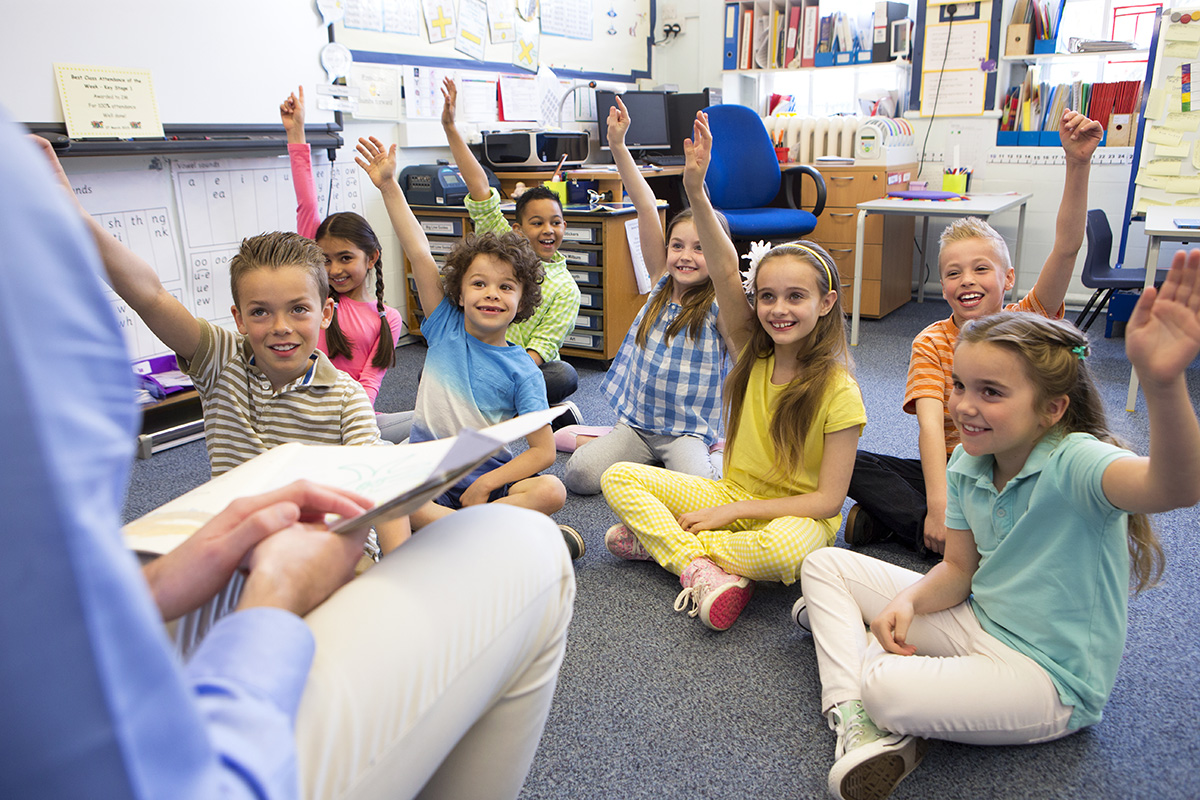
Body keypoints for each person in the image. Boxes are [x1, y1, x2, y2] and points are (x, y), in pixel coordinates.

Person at [3, 111, 575, 800]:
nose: (280, 328)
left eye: (299, 310)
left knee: (374, 587)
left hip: (325, 555)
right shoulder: (218, 360)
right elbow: (147, 290)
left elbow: (377, 498)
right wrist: (66, 210)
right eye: (261, 313)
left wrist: (397, 568)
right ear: (238, 318)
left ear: (326, 313)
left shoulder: (345, 401)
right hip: (229, 551)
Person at [795, 255, 1200, 800]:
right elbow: (958, 570)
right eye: (960, 385)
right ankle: (855, 715)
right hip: (979, 618)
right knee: (823, 564)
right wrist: (911, 602)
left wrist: (1163, 383)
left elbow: (1178, 487)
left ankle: (855, 672)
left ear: (1052, 409)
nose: (964, 406)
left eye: (992, 392)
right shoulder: (967, 463)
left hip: (1048, 676)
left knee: (884, 683)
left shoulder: (1077, 460)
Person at [600, 112, 866, 631]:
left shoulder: (841, 391)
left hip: (795, 516)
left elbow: (828, 501)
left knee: (792, 553)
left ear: (827, 302)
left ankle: (670, 546)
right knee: (617, 477)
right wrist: (696, 194)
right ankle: (701, 566)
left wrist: (720, 519)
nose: (778, 310)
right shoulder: (753, 353)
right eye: (767, 296)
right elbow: (724, 270)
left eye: (796, 297)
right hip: (732, 493)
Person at [846, 109, 1105, 557]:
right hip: (954, 471)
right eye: (952, 272)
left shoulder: (1030, 321)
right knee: (845, 462)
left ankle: (915, 529)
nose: (966, 280)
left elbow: (1066, 247)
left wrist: (1077, 164)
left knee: (1051, 495)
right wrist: (941, 504)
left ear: (1007, 279)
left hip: (1015, 469)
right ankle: (955, 534)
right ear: (940, 284)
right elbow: (930, 426)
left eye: (981, 269)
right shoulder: (931, 340)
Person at [358, 135, 582, 557]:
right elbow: (418, 250)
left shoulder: (523, 370)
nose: (491, 294)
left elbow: (543, 453)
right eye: (478, 284)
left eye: (505, 287)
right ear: (459, 294)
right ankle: (493, 537)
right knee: (384, 489)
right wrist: (389, 186)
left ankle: (465, 536)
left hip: (486, 481)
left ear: (522, 300)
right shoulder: (445, 325)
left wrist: (484, 484)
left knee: (551, 491)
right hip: (427, 477)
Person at [558, 97, 737, 495]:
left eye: (700, 247)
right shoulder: (659, 279)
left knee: (701, 492)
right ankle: (625, 454)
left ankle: (717, 453)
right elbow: (643, 203)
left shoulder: (719, 304)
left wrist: (697, 190)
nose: (686, 256)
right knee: (579, 476)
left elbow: (727, 271)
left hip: (685, 434)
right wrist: (619, 146)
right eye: (678, 245)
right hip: (636, 426)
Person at [440, 77, 582, 422]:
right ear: (518, 229)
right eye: (537, 223)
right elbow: (480, 190)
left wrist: (498, 373)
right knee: (431, 373)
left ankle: (503, 403)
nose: (548, 230)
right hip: (476, 355)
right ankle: (526, 411)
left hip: (519, 367)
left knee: (562, 374)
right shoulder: (505, 246)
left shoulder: (566, 289)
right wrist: (450, 128)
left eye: (556, 222)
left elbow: (540, 350)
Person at [281, 87, 412, 442]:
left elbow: (370, 381)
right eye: (324, 259)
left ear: (371, 258)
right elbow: (307, 203)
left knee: (429, 424)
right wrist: (296, 134)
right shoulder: (320, 301)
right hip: (309, 421)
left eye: (345, 258)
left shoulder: (389, 317)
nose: (334, 269)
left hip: (357, 418)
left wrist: (356, 421)